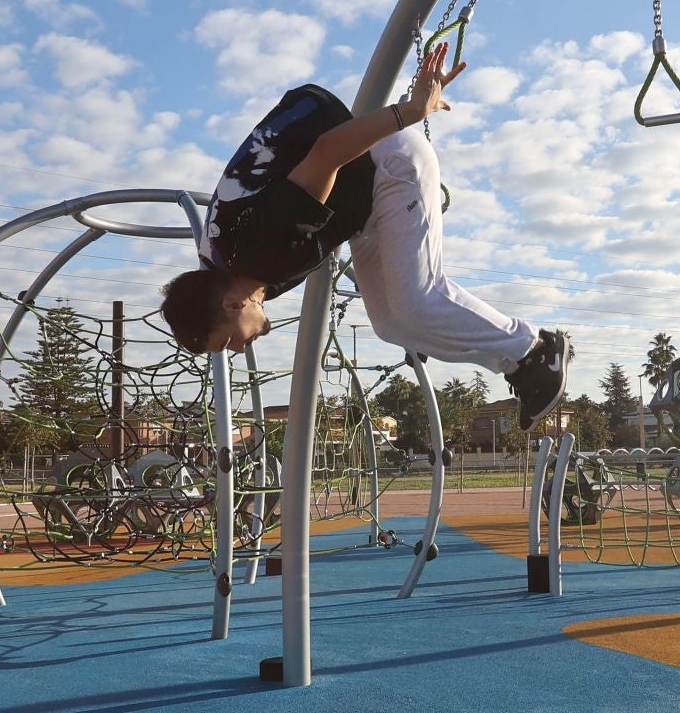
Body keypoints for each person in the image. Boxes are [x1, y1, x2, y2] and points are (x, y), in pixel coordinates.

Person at [161, 43, 571, 432]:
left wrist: (410, 110)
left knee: (418, 301)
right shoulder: (224, 266)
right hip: (364, 205)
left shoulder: (258, 249)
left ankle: (536, 348)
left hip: (388, 166)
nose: (237, 349)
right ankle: (518, 364)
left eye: (229, 342)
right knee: (391, 324)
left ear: (232, 304)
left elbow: (327, 151)